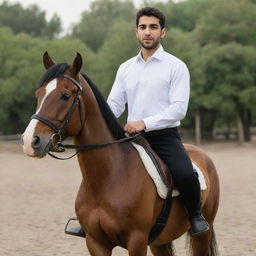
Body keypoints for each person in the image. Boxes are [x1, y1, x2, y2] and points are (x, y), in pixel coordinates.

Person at [65, 7, 209, 238]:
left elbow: (178, 109)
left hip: (163, 137)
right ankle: (89, 218)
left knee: (186, 174)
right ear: (136, 32)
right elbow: (114, 105)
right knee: (100, 171)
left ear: (164, 32)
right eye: (143, 27)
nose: (148, 32)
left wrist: (145, 122)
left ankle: (195, 216)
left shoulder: (176, 66)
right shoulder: (125, 68)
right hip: (129, 137)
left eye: (153, 27)